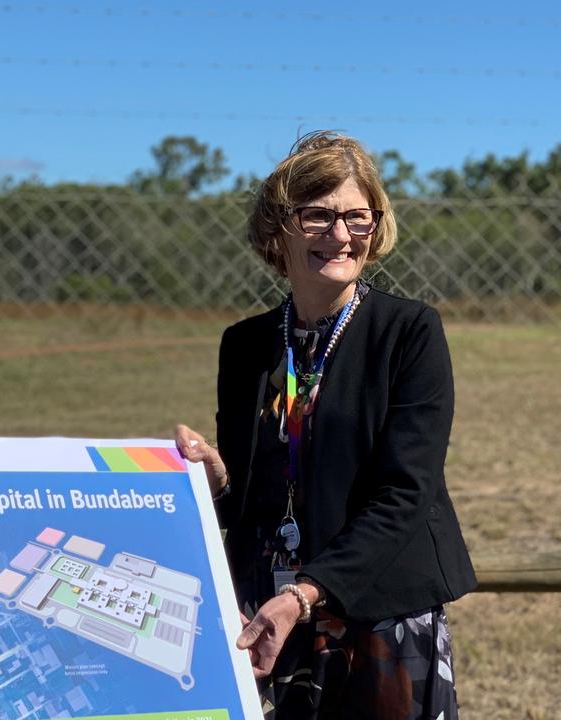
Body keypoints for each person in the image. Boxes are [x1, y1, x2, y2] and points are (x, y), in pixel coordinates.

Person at [176, 131, 476, 718]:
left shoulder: (409, 333)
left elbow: (405, 493)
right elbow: (255, 498)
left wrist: (306, 593)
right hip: (266, 617)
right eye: (317, 215)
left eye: (358, 217)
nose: (340, 235)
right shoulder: (245, 346)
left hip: (376, 614)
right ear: (278, 228)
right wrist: (215, 479)